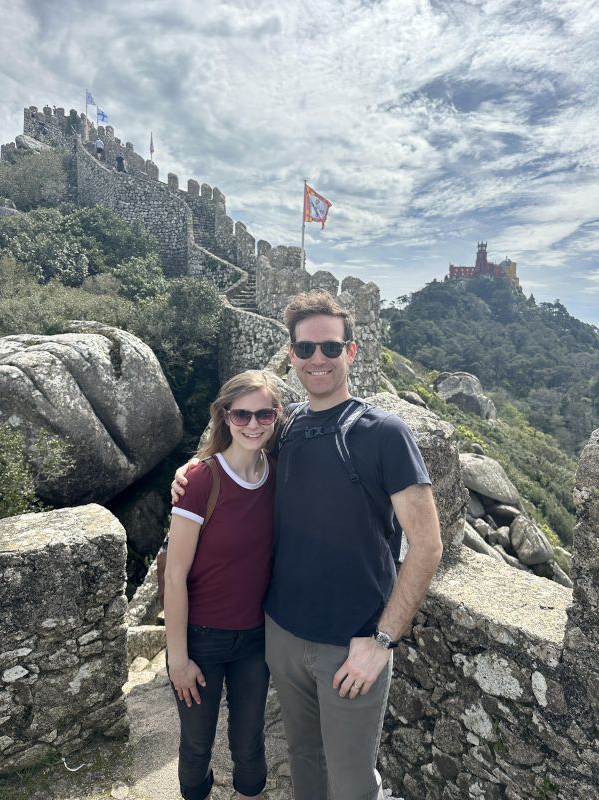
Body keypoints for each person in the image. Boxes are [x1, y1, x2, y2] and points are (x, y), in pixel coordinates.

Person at [172, 290, 443, 800]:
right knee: (303, 762)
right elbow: (237, 450)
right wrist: (190, 471)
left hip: (352, 645)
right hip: (282, 636)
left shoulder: (383, 433)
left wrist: (382, 642)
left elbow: (427, 546)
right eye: (306, 349)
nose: (318, 360)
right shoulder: (285, 424)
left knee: (351, 783)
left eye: (331, 348)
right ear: (291, 355)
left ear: (352, 352)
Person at [165, 369, 282, 800]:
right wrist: (178, 659)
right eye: (242, 415)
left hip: (256, 640)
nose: (253, 424)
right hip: (201, 640)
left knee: (250, 744)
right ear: (224, 416)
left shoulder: (280, 474)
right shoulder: (199, 481)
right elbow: (175, 576)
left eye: (264, 414)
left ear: (276, 416)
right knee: (196, 746)